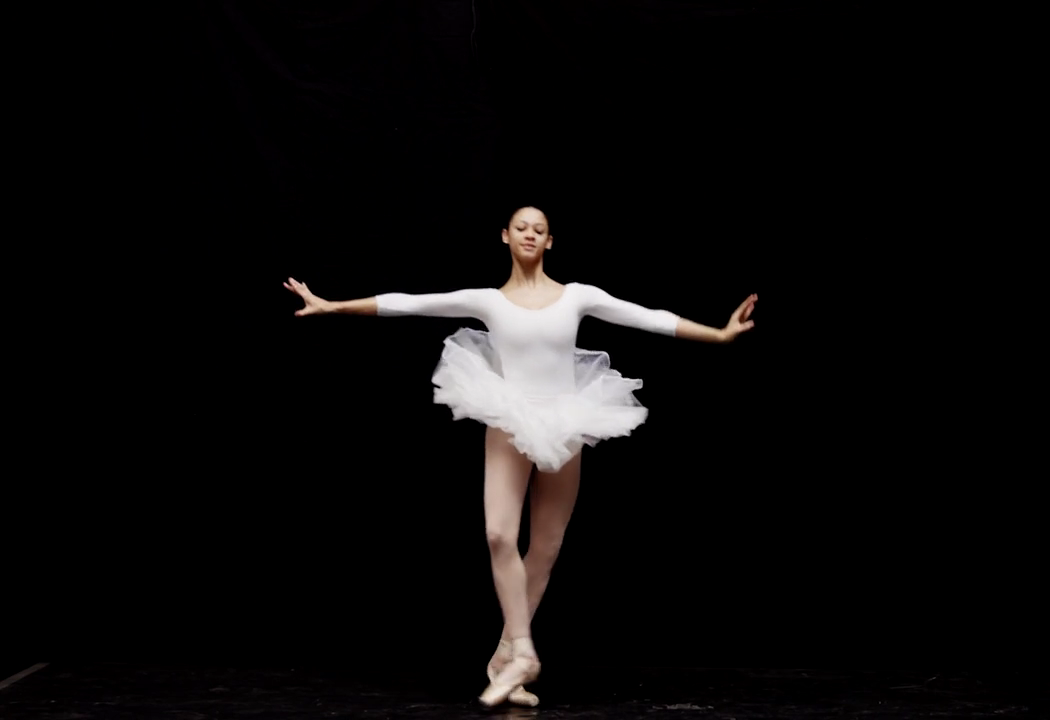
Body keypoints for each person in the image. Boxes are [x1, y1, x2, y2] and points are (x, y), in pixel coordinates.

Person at [284, 206, 756, 707]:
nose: (530, 234)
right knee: (498, 534)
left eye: (540, 229)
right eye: (521, 227)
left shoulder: (577, 296)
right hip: (509, 417)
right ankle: (525, 650)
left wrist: (719, 334)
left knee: (546, 545)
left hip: (567, 419)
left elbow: (647, 317)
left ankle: (507, 655)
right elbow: (410, 303)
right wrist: (332, 306)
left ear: (550, 242)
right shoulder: (489, 301)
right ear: (505, 236)